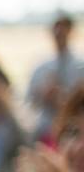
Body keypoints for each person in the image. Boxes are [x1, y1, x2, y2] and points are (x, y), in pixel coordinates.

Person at [27, 14, 84, 144]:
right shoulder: (41, 67)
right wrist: (43, 95)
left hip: (73, 131)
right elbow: (30, 101)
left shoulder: (81, 66)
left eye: (63, 29)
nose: (59, 34)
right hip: (45, 129)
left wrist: (64, 99)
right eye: (56, 29)